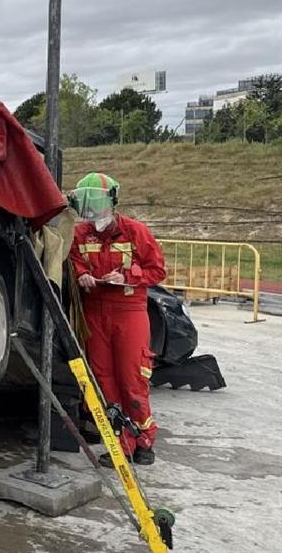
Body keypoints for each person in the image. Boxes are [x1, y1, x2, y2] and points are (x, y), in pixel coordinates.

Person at [69, 172, 166, 466]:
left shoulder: (136, 232)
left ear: (110, 202)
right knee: (104, 381)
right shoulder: (79, 234)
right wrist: (81, 274)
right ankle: (121, 444)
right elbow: (72, 260)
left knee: (133, 379)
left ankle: (144, 440)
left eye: (96, 205)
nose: (92, 213)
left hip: (129, 312)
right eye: (87, 206)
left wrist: (126, 276)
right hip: (94, 312)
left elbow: (157, 271)